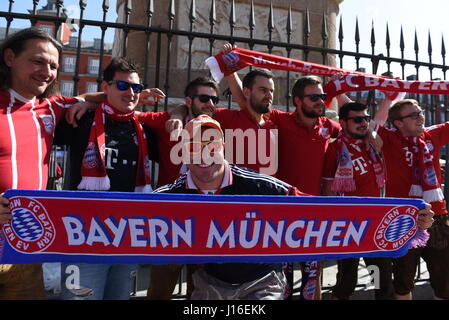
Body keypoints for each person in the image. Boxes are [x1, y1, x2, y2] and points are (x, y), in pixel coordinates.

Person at [154, 114, 307, 300]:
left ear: (223, 149)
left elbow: (313, 208)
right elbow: (130, 217)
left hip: (261, 281)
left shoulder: (258, 185)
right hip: (210, 281)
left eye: (212, 146)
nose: (204, 154)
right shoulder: (169, 195)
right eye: (194, 147)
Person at [0, 27, 96, 300]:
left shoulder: (51, 108)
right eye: (38, 61)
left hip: (25, 250)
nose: (48, 71)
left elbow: (97, 97)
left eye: (53, 65)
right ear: (9, 57)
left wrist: (84, 101)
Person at [53, 57, 156, 300]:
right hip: (80, 240)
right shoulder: (81, 119)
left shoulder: (143, 129)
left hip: (126, 239)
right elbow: (44, 110)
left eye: (136, 88)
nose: (130, 93)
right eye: (122, 86)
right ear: (105, 86)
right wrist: (85, 101)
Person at [141, 77, 221, 299]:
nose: (210, 104)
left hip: (205, 224)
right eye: (204, 98)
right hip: (169, 224)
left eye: (214, 99)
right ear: (189, 100)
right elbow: (128, 114)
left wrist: (178, 111)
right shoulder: (167, 122)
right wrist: (175, 114)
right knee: (159, 291)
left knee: (200, 293)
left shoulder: (218, 122)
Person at [378, 99, 449, 300]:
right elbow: (373, 123)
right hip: (403, 218)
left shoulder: (431, 134)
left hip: (436, 215)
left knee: (445, 280)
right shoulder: (389, 138)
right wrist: (388, 98)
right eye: (414, 115)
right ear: (399, 123)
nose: (421, 117)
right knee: (403, 281)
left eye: (420, 112)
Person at [322, 102, 394, 300]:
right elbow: (327, 188)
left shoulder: (372, 143)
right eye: (357, 119)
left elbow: (382, 117)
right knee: (346, 281)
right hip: (349, 226)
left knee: (381, 280)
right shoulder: (335, 148)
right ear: (343, 123)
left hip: (376, 223)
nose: (363, 123)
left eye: (365, 119)